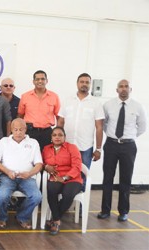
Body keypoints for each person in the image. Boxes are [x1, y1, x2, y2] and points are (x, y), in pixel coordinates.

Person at [97, 79, 147, 222]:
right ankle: (105, 210)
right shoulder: (108, 105)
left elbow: (142, 127)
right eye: (121, 86)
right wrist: (113, 136)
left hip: (129, 146)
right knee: (107, 178)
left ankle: (123, 212)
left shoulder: (138, 107)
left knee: (126, 179)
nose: (124, 89)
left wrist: (128, 137)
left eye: (126, 87)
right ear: (116, 89)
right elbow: (103, 124)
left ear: (131, 89)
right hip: (111, 144)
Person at [58, 73, 104, 191]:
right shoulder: (67, 100)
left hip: (85, 147)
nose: (84, 84)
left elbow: (99, 127)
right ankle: (65, 201)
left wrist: (98, 149)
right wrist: (57, 143)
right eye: (82, 82)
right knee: (64, 172)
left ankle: (80, 206)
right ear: (77, 83)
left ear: (90, 85)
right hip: (67, 145)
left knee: (83, 175)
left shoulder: (96, 103)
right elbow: (60, 122)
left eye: (87, 82)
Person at [0, 118, 42, 229]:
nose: (18, 132)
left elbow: (39, 164)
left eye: (21, 129)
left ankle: (22, 217)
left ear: (25, 129)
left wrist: (29, 174)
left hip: (27, 178)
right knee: (1, 196)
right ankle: (2, 217)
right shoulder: (4, 141)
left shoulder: (33, 143)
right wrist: (7, 171)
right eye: (15, 130)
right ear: (11, 130)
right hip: (7, 177)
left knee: (37, 197)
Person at [42, 127, 82, 235]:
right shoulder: (46, 149)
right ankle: (56, 220)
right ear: (51, 137)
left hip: (73, 178)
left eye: (60, 135)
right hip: (55, 177)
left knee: (68, 194)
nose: (57, 137)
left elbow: (77, 166)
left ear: (65, 137)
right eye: (54, 135)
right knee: (51, 189)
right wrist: (46, 167)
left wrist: (65, 178)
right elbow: (39, 162)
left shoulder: (72, 148)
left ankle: (55, 220)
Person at [18, 70, 60, 151]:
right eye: (37, 79)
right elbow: (20, 115)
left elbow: (59, 117)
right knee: (29, 156)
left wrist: (57, 134)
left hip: (47, 133)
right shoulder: (25, 96)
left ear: (46, 81)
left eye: (42, 79)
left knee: (46, 157)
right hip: (30, 132)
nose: (40, 81)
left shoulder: (54, 96)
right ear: (33, 81)